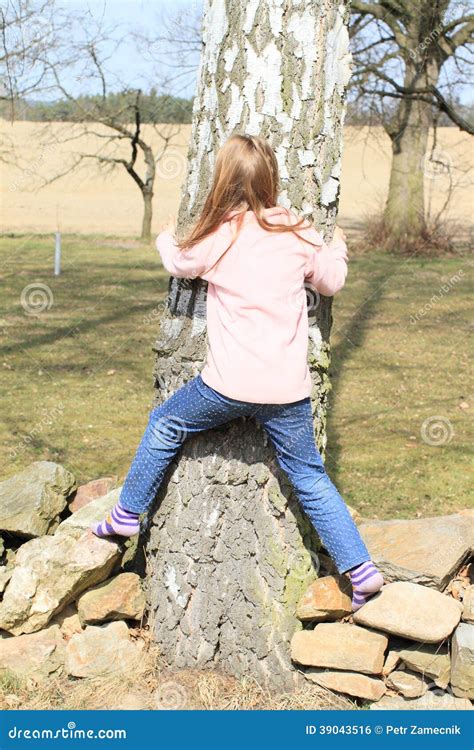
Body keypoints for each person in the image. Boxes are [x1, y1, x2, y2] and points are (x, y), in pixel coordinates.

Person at [91, 133, 384, 611]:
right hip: (287, 390)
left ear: (222, 179)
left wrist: (165, 235)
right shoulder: (296, 232)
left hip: (225, 387)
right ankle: (362, 571)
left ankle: (126, 514)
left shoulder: (220, 235)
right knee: (309, 476)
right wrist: (338, 250)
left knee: (166, 422)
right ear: (272, 177)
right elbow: (330, 281)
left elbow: (179, 263)